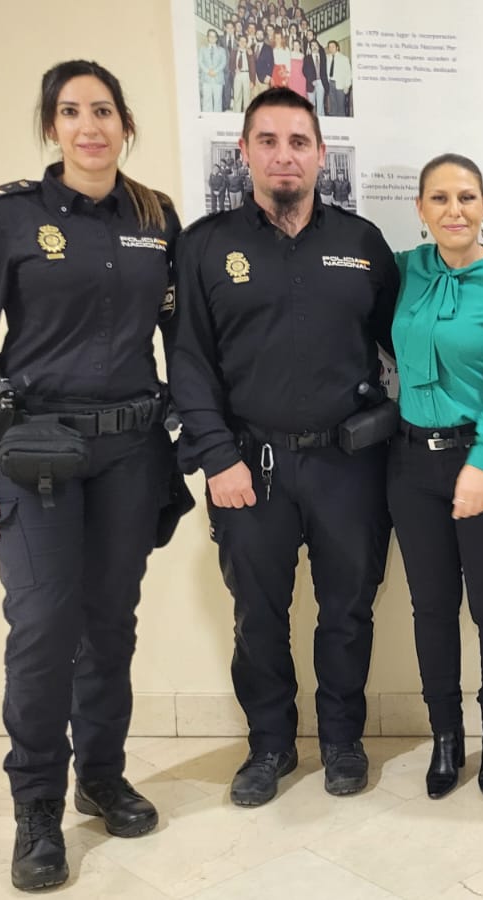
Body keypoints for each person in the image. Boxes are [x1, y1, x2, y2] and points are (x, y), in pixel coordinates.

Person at [0, 60, 182, 892]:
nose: (90, 126)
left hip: (128, 451)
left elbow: (179, 342)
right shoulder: (8, 214)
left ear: (125, 124)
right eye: (72, 112)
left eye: (104, 111)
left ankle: (102, 776)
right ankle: (36, 807)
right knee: (43, 626)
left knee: (110, 623)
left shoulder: (157, 217)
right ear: (52, 126)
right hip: (33, 453)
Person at [170, 88, 401, 809]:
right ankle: (269, 744)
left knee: (347, 611)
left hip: (348, 466)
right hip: (249, 469)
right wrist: (215, 457)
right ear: (243, 152)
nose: (283, 155)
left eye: (298, 141)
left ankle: (341, 741)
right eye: (267, 140)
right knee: (259, 615)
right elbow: (188, 363)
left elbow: (406, 346)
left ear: (321, 155)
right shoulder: (206, 247)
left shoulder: (363, 245)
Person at [391, 153, 483, 801]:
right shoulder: (406, 271)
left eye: (468, 198)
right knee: (431, 608)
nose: (455, 210)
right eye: (441, 198)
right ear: (421, 210)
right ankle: (446, 739)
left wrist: (482, 462)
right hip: (411, 464)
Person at [200, 29, 227, 112]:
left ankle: (217, 119)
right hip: (206, 78)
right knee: (206, 100)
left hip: (218, 78)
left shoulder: (221, 50)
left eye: (214, 36)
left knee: (218, 100)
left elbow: (223, 62)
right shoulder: (202, 49)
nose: (212, 38)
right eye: (210, 36)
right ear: (208, 37)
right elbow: (200, 62)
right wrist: (208, 71)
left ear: (216, 38)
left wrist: (215, 71)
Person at [326, 41, 352, 116]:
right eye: (329, 47)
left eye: (333, 46)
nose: (331, 48)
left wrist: (347, 86)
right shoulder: (327, 57)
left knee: (341, 106)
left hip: (340, 84)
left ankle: (341, 124)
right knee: (333, 105)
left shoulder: (344, 58)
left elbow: (348, 73)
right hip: (330, 83)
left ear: (337, 47)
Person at [231, 33, 254, 112]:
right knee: (237, 96)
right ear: (238, 42)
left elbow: (252, 67)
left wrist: (252, 80)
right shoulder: (234, 52)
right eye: (241, 41)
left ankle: (245, 114)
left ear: (246, 43)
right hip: (237, 75)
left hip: (246, 75)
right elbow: (230, 64)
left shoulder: (249, 52)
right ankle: (236, 114)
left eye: (244, 41)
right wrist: (234, 69)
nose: (242, 43)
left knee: (246, 97)